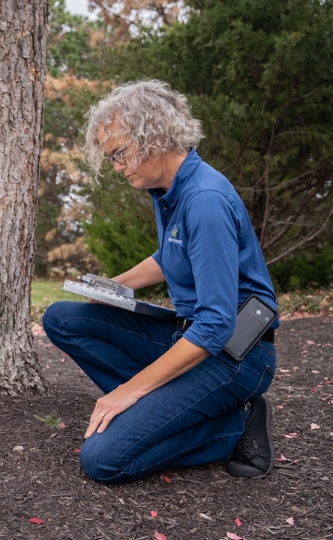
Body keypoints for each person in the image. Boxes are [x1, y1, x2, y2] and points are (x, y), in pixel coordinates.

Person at [42, 80, 279, 483]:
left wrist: (130, 389)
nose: (117, 167)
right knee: (63, 318)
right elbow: (171, 256)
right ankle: (163, 413)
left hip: (235, 355)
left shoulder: (204, 200)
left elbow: (215, 325)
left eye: (120, 154)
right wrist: (112, 287)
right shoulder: (168, 189)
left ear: (152, 137)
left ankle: (236, 423)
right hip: (187, 336)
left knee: (103, 460)